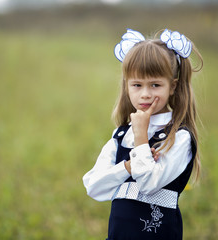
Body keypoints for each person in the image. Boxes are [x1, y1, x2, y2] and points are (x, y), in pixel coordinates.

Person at [83, 28, 203, 240]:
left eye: (155, 85)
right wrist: (127, 167)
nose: (145, 93)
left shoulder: (179, 137)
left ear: (172, 86)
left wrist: (140, 138)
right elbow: (94, 187)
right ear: (127, 86)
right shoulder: (120, 135)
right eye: (137, 85)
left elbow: (148, 185)